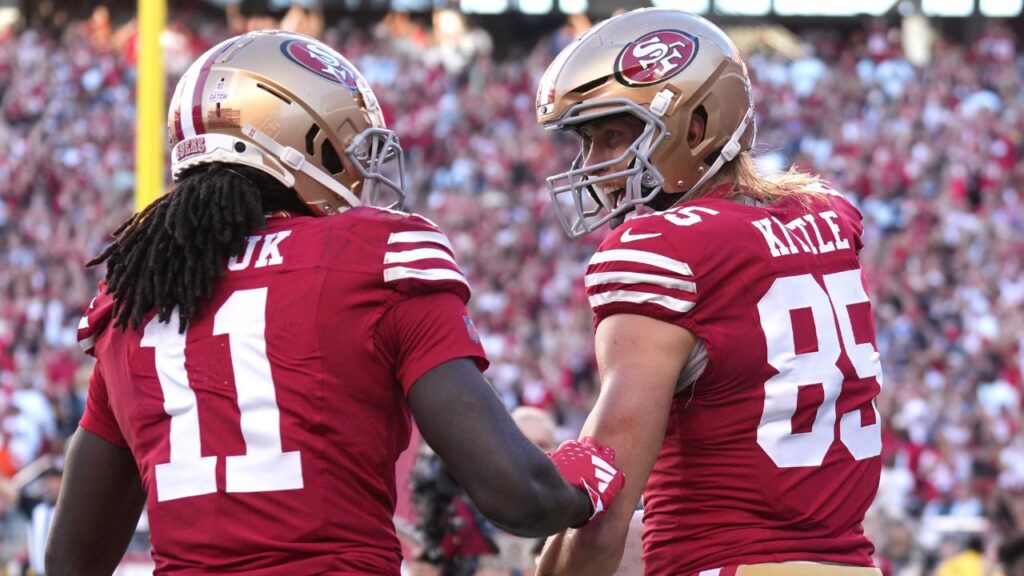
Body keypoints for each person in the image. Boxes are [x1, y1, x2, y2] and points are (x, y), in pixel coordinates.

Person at [45, 30, 624, 575]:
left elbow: (72, 560)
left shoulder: (135, 294)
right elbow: (516, 495)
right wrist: (582, 479)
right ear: (307, 141)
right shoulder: (372, 255)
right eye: (349, 147)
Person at [533, 8, 884, 576]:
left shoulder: (662, 248)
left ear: (694, 128)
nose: (593, 164)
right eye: (587, 140)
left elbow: (605, 512)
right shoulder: (828, 218)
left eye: (613, 136)